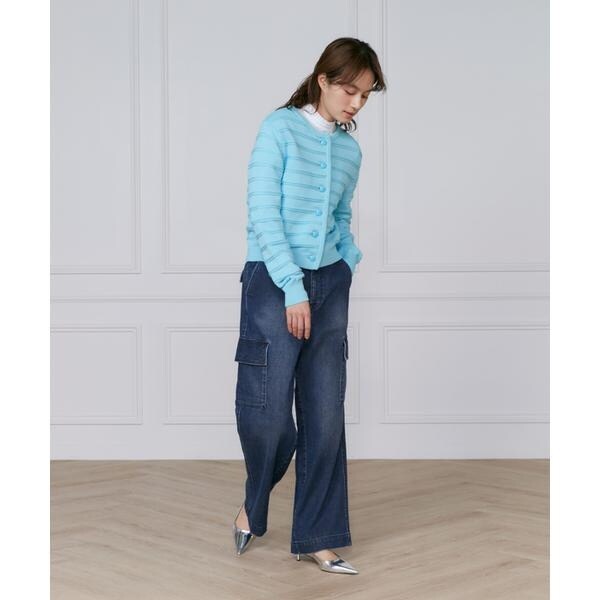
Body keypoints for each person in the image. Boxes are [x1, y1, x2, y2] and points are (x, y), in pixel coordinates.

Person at [232, 37, 387, 574]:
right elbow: (263, 213)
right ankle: (254, 505)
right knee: (268, 413)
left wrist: (348, 261)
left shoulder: (350, 150)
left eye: (365, 95)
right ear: (323, 80)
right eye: (349, 90)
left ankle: (317, 537)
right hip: (274, 282)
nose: (356, 103)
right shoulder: (278, 129)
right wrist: (293, 287)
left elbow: (340, 217)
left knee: (325, 415)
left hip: (330, 282)